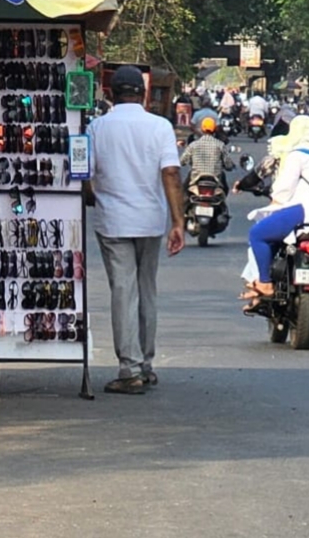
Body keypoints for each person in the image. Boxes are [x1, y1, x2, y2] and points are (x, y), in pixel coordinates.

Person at [85, 65, 185, 395]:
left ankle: (130, 368)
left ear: (110, 93)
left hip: (113, 221)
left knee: (123, 291)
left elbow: (85, 174)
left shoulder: (97, 127)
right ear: (143, 94)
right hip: (150, 221)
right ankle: (145, 364)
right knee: (146, 290)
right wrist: (178, 222)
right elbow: (170, 173)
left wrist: (93, 196)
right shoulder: (160, 126)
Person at [241, 115, 309, 305]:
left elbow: (282, 191)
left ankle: (265, 283)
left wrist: (273, 202)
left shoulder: (297, 155)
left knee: (257, 234)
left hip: (304, 213)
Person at [179, 116, 234, 194]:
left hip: (195, 179)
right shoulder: (220, 145)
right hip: (216, 180)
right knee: (225, 189)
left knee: (184, 191)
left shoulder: (193, 145)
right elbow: (228, 165)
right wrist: (229, 166)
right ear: (215, 129)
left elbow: (182, 161)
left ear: (202, 129)